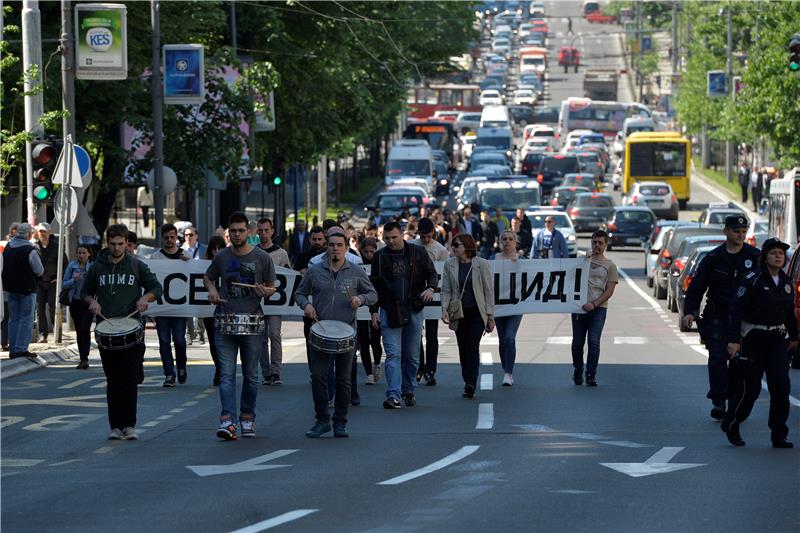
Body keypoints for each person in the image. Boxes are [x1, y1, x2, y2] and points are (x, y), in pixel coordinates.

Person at [82, 224, 163, 441]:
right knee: (112, 379)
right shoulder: (97, 268)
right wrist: (92, 303)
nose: (117, 248)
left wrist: (145, 298)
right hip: (106, 329)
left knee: (128, 378)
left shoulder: (136, 265)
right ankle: (115, 426)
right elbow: (85, 293)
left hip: (132, 327)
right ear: (107, 243)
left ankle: (129, 425)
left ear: (127, 243)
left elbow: (156, 288)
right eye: (113, 244)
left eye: (121, 244)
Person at [296, 228, 378, 438]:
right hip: (321, 330)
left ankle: (340, 421)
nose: (335, 249)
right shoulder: (315, 270)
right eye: (331, 245)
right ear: (327, 247)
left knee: (343, 380)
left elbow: (373, 294)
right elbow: (300, 292)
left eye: (339, 245)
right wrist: (306, 305)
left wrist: (360, 300)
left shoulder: (355, 271)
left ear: (345, 247)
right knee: (318, 376)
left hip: (346, 331)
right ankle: (322, 420)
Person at [204, 212, 276, 441]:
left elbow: (272, 286)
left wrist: (265, 291)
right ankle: (227, 420)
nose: (236, 234)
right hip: (225, 321)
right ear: (228, 232)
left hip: (252, 321)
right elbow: (208, 277)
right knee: (226, 374)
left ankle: (247, 418)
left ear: (249, 232)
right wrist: (212, 290)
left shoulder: (262, 258)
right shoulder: (222, 257)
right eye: (233, 231)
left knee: (251, 375)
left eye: (241, 230)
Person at [682, 215, 760, 419]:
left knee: (738, 362)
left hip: (745, 319)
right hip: (717, 315)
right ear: (726, 231)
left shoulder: (755, 257)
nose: (740, 235)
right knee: (717, 358)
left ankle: (734, 400)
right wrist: (689, 311)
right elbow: (697, 286)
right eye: (736, 231)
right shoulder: (713, 258)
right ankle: (719, 401)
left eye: (744, 232)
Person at [722, 238, 796, 448]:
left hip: (777, 340)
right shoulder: (752, 279)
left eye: (781, 253)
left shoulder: (787, 282)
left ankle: (779, 434)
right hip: (754, 339)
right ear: (764, 257)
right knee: (750, 389)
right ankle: (732, 423)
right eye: (773, 253)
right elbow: (736, 310)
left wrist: (794, 336)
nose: (778, 256)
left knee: (781, 387)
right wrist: (734, 341)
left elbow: (789, 313)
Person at [369, 221, 438, 409]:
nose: (391, 241)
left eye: (394, 237)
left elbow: (433, 274)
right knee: (393, 354)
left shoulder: (418, 253)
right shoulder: (379, 257)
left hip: (414, 309)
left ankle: (409, 390)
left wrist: (431, 288)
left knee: (412, 355)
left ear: (402, 235)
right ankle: (393, 394)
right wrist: (374, 311)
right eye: (387, 238)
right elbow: (373, 287)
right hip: (389, 310)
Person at [441, 234, 495, 399]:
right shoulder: (449, 264)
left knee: (472, 346)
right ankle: (467, 379)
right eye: (452, 245)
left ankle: (470, 382)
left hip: (477, 313)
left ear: (466, 246)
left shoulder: (481, 264)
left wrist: (490, 315)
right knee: (462, 348)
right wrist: (444, 309)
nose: (453, 248)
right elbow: (447, 289)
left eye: (457, 245)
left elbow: (488, 291)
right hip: (459, 312)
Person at [571, 230, 618, 387]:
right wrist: (584, 260)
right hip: (579, 309)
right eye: (594, 242)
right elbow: (570, 278)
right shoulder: (582, 260)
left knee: (593, 341)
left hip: (598, 309)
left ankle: (591, 374)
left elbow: (610, 291)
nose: (597, 245)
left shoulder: (610, 266)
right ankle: (578, 368)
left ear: (605, 245)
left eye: (600, 243)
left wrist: (594, 304)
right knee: (577, 343)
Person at [151, 223, 191, 386]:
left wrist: (187, 262)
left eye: (172, 237)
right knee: (164, 340)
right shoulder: (155, 257)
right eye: (166, 237)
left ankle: (181, 366)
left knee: (180, 340)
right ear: (162, 239)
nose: (169, 240)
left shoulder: (185, 255)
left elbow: (194, 275)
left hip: (179, 307)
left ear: (176, 238)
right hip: (161, 307)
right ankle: (169, 374)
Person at [412, 218, 449, 386]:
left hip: (433, 295)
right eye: (423, 236)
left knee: (432, 335)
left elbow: (444, 275)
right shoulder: (411, 245)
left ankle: (430, 370)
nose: (425, 240)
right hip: (415, 296)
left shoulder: (440, 250)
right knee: (415, 334)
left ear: (433, 234)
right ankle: (418, 367)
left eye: (428, 236)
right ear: (418, 233)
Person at [257, 217, 291, 386]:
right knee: (261, 337)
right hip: (257, 302)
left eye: (266, 230)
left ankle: (276, 371)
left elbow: (288, 276)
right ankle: (266, 372)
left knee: (274, 334)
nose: (263, 233)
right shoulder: (253, 252)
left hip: (276, 302)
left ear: (272, 231)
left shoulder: (281, 253)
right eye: (260, 230)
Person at [2, 223, 44, 358]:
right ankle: (21, 349)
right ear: (28, 234)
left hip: (11, 288)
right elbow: (39, 270)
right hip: (27, 288)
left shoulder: (8, 247)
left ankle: (13, 349)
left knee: (13, 318)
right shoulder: (29, 250)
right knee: (26, 318)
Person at [492, 230, 523, 386]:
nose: (507, 241)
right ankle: (506, 367)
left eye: (511, 239)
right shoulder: (493, 259)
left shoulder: (522, 260)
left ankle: (508, 373)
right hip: (499, 306)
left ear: (515, 242)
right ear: (500, 242)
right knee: (502, 340)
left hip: (516, 306)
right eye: (504, 239)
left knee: (510, 338)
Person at [34, 222, 67, 343]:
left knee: (54, 308)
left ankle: (57, 332)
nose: (42, 234)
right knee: (40, 309)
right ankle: (43, 335)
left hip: (53, 282)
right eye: (40, 231)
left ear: (49, 233)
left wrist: (59, 278)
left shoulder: (57, 247)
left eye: (44, 231)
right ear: (37, 233)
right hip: (39, 283)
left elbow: (65, 264)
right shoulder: (34, 247)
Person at [62, 245, 94, 369]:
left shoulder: (93, 267)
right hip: (75, 302)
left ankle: (85, 357)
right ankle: (83, 358)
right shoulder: (72, 266)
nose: (81, 255)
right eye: (79, 253)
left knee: (86, 329)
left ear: (89, 254)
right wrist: (73, 280)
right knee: (79, 331)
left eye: (84, 253)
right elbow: (64, 284)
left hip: (89, 302)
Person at [357, 237, 383, 384]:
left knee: (375, 339)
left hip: (376, 305)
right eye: (366, 251)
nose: (369, 254)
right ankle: (369, 374)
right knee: (363, 342)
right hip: (361, 304)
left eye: (372, 251)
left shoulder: (379, 264)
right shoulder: (357, 265)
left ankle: (377, 363)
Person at [203, 236, 227, 386]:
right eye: (214, 248)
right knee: (213, 342)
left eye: (220, 248)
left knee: (224, 342)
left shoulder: (228, 262)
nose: (217, 251)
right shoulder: (205, 265)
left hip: (225, 309)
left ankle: (223, 369)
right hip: (207, 310)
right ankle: (219, 368)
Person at [181, 226, 207, 346]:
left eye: (191, 235)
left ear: (196, 236)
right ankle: (189, 334)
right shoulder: (180, 250)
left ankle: (201, 333)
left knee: (200, 310)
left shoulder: (204, 250)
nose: (188, 237)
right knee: (187, 310)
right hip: (186, 283)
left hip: (200, 283)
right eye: (186, 235)